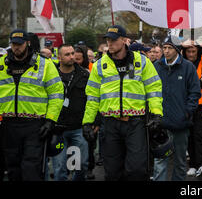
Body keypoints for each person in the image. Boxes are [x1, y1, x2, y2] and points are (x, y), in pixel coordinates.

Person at [82, 25, 163, 181]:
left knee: (137, 170)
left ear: (125, 40)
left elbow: (153, 90)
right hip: (110, 124)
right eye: (107, 40)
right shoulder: (99, 65)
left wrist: (157, 114)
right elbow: (92, 97)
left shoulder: (142, 62)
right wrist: (87, 122)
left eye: (113, 40)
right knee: (112, 172)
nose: (109, 43)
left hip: (135, 123)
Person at [0, 29, 64, 181]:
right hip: (8, 125)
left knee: (31, 168)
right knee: (13, 168)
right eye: (14, 44)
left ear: (27, 43)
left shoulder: (45, 64)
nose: (17, 48)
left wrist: (50, 120)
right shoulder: (2, 64)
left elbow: (56, 94)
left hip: (35, 126)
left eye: (20, 44)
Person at [152, 36, 201, 181]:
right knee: (159, 162)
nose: (166, 51)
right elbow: (150, 90)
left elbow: (195, 92)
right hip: (160, 123)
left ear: (178, 50)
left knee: (180, 163)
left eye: (169, 48)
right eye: (164, 48)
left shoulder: (188, 67)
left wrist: (187, 112)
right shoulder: (156, 66)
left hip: (181, 123)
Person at [51, 44, 90, 181]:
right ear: (59, 57)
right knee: (59, 167)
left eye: (73, 53)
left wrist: (93, 121)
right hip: (57, 128)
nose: (72, 57)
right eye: (67, 54)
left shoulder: (84, 75)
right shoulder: (51, 74)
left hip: (78, 128)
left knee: (80, 165)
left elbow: (92, 99)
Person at [182, 39, 202, 177]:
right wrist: (199, 81)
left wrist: (200, 83)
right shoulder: (181, 63)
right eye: (188, 51)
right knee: (189, 137)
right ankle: (193, 166)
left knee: (199, 136)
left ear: (198, 51)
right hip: (186, 105)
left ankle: (201, 164)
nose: (190, 54)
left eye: (193, 51)